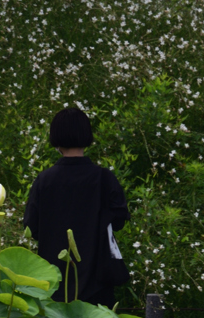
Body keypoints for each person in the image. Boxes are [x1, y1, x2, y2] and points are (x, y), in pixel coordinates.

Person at [22, 107, 130, 306]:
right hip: (98, 284)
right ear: (86, 136)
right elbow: (119, 221)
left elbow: (32, 228)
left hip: (53, 284)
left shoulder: (44, 181)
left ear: (56, 137)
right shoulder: (104, 179)